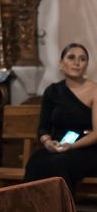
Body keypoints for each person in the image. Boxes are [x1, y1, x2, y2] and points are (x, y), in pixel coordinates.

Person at [25, 43, 97, 191]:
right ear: (61, 63)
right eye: (71, 57)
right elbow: (43, 128)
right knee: (35, 162)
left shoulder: (95, 90)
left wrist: (71, 146)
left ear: (86, 65)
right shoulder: (52, 91)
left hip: (86, 147)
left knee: (59, 164)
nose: (77, 63)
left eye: (82, 59)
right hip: (57, 146)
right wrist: (47, 143)